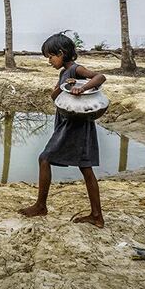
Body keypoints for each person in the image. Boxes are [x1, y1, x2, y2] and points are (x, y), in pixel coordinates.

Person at [19, 32, 107, 228]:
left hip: (74, 125)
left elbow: (100, 77)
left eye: (51, 57)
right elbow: (54, 96)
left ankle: (41, 206)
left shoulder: (76, 69)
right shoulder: (64, 74)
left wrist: (81, 89)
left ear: (62, 52)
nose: (49, 61)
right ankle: (96, 216)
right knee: (86, 168)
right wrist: (64, 86)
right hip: (70, 123)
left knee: (44, 158)